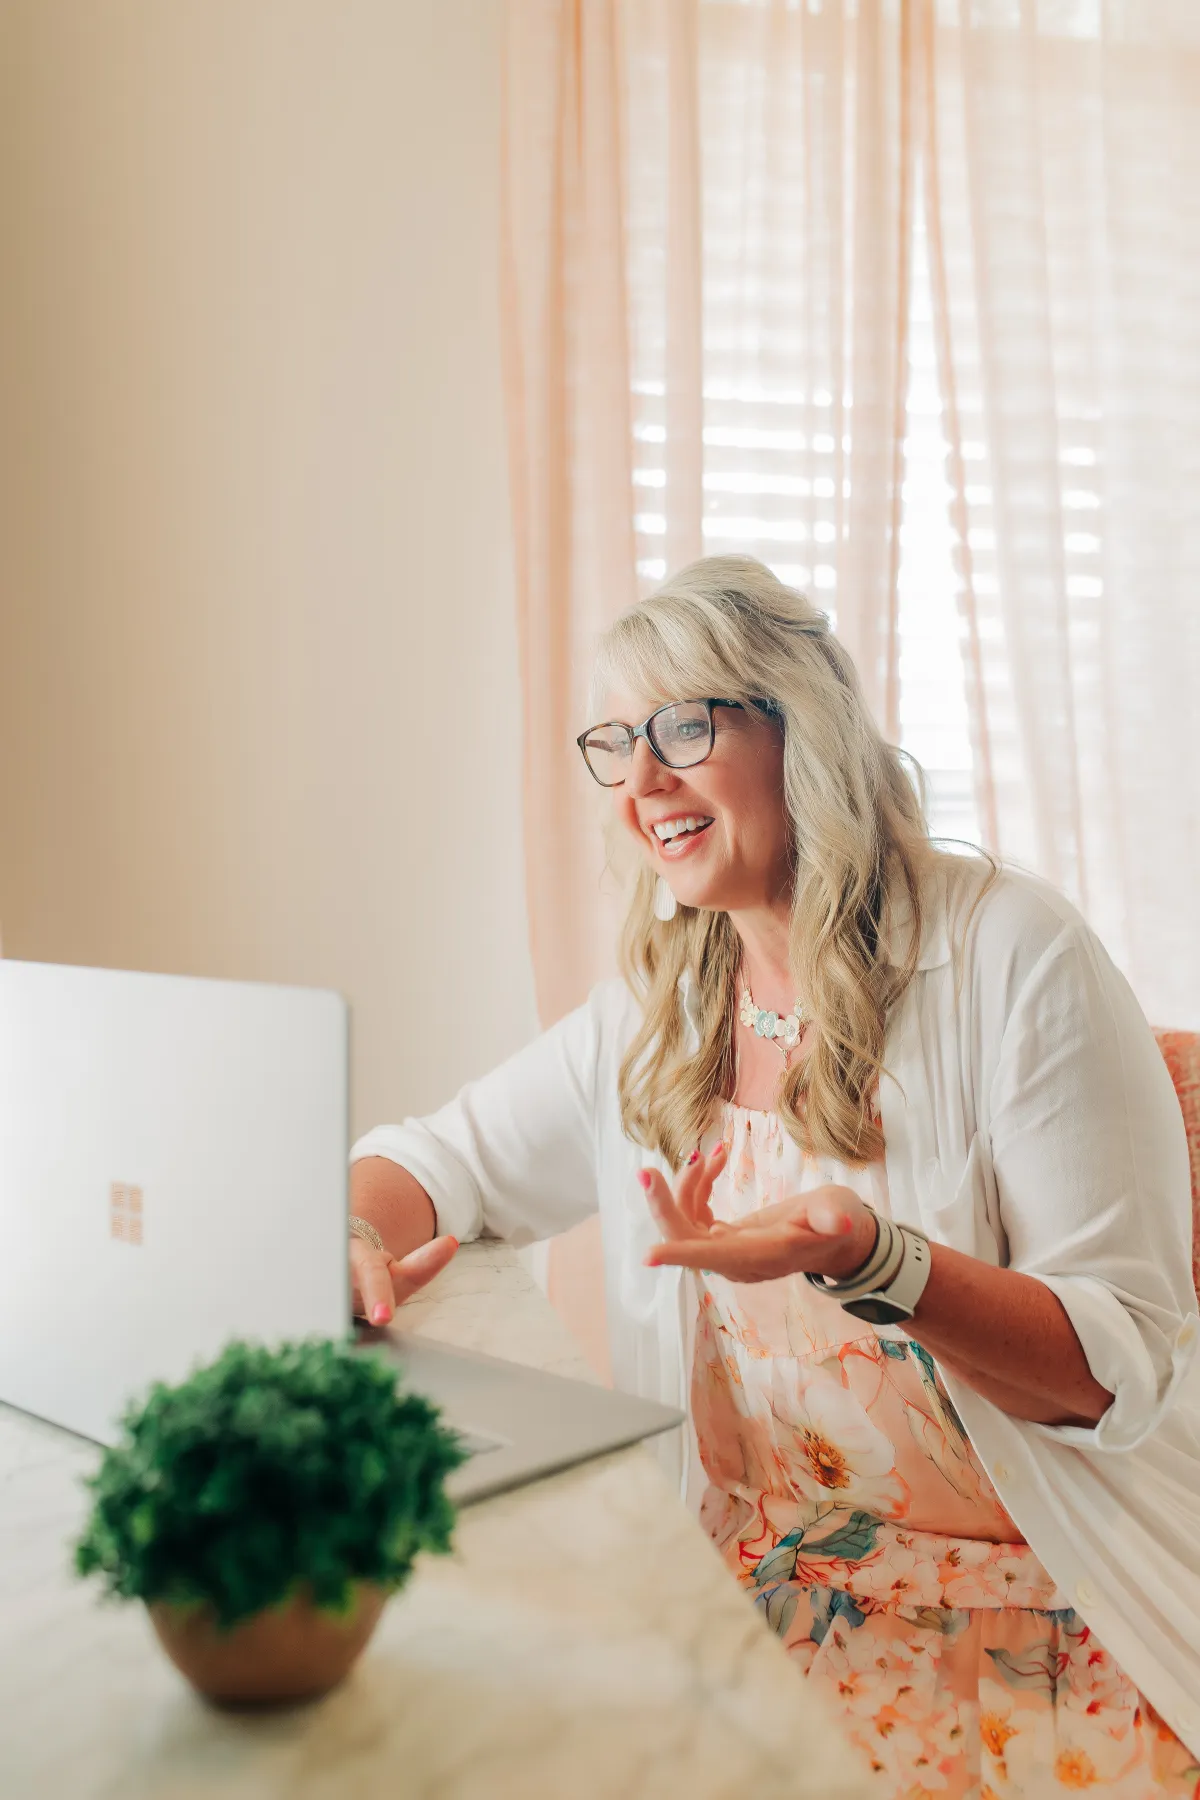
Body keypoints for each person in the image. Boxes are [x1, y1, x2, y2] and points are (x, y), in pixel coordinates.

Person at [348, 555, 1200, 1796]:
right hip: (756, 1592)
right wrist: (355, 1238)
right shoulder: (664, 1003)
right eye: (618, 743)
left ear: (804, 728)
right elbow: (433, 1163)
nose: (643, 784)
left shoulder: (1014, 954)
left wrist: (874, 1257)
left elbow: (1116, 1369)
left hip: (1039, 1616)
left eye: (685, 726)